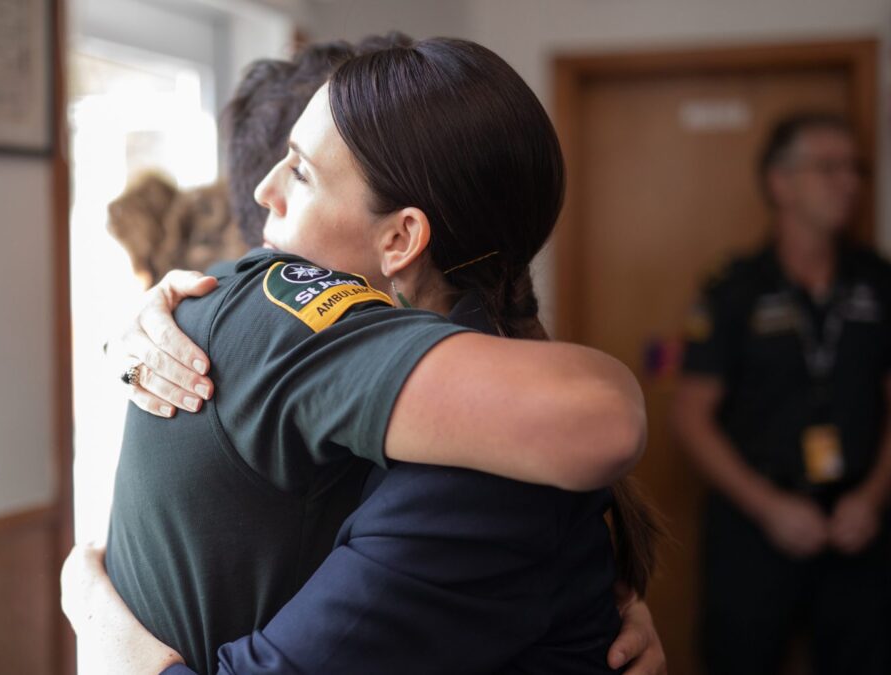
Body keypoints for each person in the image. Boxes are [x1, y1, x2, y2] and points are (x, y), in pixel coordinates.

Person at [68, 37, 665, 674]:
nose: (265, 191)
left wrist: (102, 625)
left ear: (402, 236)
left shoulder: (487, 468)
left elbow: (596, 420)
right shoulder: (411, 406)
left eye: (299, 171)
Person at [672, 112, 891, 675]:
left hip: (858, 526)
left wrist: (871, 497)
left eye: (855, 168)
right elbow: (692, 417)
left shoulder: (878, 280)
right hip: (757, 525)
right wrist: (768, 507)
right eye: (828, 167)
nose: (849, 181)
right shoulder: (735, 287)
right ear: (780, 183)